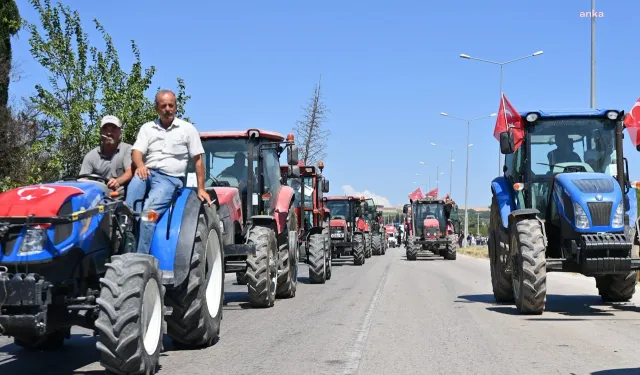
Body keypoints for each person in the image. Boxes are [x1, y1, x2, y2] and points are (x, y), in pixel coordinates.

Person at [126, 89, 212, 254]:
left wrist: (201, 188)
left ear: (176, 107)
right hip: (147, 173)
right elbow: (136, 152)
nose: (167, 109)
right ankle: (126, 243)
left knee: (148, 214)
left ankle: (140, 257)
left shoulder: (187, 129)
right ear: (156, 108)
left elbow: (198, 160)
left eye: (171, 105)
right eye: (163, 105)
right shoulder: (147, 128)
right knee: (128, 208)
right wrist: (141, 165)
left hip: (169, 179)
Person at [79, 115, 133, 195]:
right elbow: (82, 181)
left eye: (113, 129)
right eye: (105, 129)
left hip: (123, 200)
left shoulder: (127, 149)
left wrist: (118, 181)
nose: (109, 133)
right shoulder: (91, 156)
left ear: (120, 133)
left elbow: (130, 171)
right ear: (100, 133)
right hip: (99, 200)